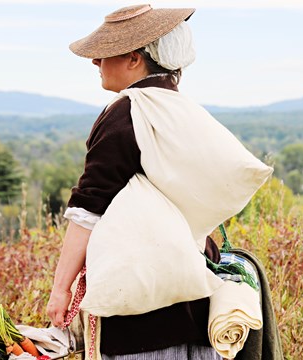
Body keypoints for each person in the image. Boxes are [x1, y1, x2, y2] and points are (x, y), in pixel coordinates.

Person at [46, 4, 226, 359]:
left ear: (133, 59)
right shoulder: (184, 110)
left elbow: (87, 209)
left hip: (142, 313)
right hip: (199, 295)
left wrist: (60, 290)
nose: (95, 63)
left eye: (104, 55)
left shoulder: (127, 114)